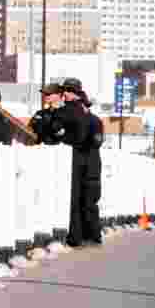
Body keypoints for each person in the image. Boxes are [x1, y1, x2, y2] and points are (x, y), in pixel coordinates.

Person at [55, 78, 103, 247]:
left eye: (66, 91)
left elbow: (60, 134)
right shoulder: (94, 120)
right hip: (87, 163)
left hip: (82, 162)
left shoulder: (67, 115)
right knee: (85, 200)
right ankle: (89, 236)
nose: (64, 94)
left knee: (81, 200)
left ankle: (80, 236)